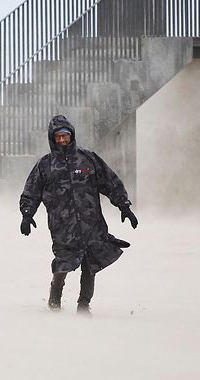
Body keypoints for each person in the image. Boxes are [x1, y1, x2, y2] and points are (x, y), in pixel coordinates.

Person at [19, 115, 137, 315]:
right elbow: (31, 192)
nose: (62, 140)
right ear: (52, 139)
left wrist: (124, 206)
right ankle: (54, 301)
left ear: (71, 135)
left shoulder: (88, 158)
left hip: (91, 225)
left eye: (65, 136)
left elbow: (110, 182)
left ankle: (83, 305)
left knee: (90, 265)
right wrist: (27, 215)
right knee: (62, 263)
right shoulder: (45, 165)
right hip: (62, 227)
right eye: (58, 137)